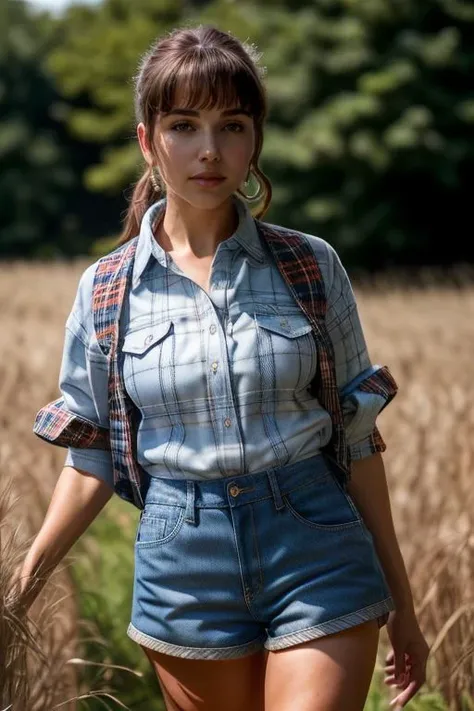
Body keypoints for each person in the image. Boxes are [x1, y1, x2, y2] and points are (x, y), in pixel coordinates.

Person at [19, 24, 429, 711]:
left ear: (254, 140)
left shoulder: (310, 265)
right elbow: (88, 460)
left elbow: (358, 443)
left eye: (231, 125)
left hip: (316, 547)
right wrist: (17, 592)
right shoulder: (107, 290)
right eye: (184, 125)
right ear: (149, 142)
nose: (209, 150)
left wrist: (405, 605)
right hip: (183, 567)